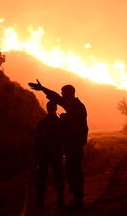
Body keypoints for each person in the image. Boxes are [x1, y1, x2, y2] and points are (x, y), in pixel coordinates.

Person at [29, 80, 88, 208]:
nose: (61, 95)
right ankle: (76, 199)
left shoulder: (77, 107)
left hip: (75, 146)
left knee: (75, 173)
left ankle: (78, 200)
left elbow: (77, 126)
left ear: (69, 93)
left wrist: (66, 119)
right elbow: (56, 97)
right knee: (71, 173)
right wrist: (43, 88)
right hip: (70, 146)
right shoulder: (71, 104)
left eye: (63, 93)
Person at [34, 101, 64, 208]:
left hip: (44, 154)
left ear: (47, 109)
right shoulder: (60, 123)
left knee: (42, 178)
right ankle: (60, 201)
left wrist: (35, 155)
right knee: (58, 177)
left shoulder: (42, 123)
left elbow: (37, 141)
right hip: (56, 154)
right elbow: (64, 139)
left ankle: (40, 201)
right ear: (56, 108)